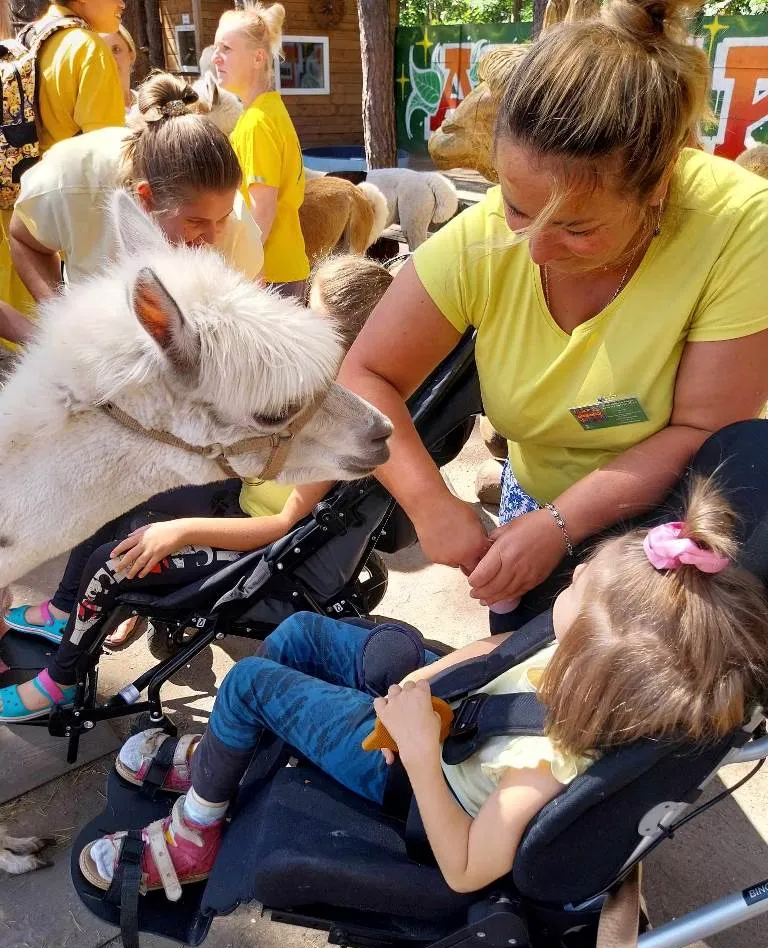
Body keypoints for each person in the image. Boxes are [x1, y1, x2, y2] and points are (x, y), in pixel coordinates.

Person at [75, 445, 768, 896]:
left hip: (404, 772)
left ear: (596, 642)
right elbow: (498, 658)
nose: (577, 570)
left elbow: (466, 868)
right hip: (437, 711)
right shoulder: (585, 656)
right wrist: (425, 682)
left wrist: (417, 746)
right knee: (300, 632)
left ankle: (195, 830)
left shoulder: (534, 777)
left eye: (580, 586)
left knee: (255, 682)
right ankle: (228, 760)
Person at [330, 0, 768, 634]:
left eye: (577, 228)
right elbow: (365, 373)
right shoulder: (482, 240)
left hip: (680, 512)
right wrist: (429, 503)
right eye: (514, 205)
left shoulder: (739, 225)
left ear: (658, 187)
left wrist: (561, 525)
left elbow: (705, 429)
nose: (533, 247)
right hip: (534, 500)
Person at [0, 254, 395, 720]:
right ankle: (67, 609)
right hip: (240, 497)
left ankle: (61, 680)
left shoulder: (320, 422)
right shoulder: (308, 386)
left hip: (264, 540)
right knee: (118, 508)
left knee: (113, 563)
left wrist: (182, 531)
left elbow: (284, 521)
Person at [9, 73, 264, 303]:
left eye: (222, 219)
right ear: (147, 199)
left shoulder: (238, 229)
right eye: (195, 221)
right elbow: (24, 238)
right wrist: (61, 320)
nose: (212, 237)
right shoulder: (70, 181)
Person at [0, 0, 125, 349]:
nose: (123, 3)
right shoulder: (85, 49)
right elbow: (108, 165)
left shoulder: (27, 40)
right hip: (60, 243)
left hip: (16, 226)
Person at [212, 2, 310, 297]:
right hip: (280, 267)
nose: (215, 58)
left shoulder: (257, 123)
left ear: (257, 58)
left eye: (226, 49)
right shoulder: (268, 112)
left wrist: (243, 273)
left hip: (267, 274)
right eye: (216, 48)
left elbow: (261, 210)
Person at [101, 23, 137, 113]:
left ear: (131, 56)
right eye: (102, 52)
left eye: (116, 50)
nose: (110, 59)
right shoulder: (90, 115)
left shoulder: (150, 105)